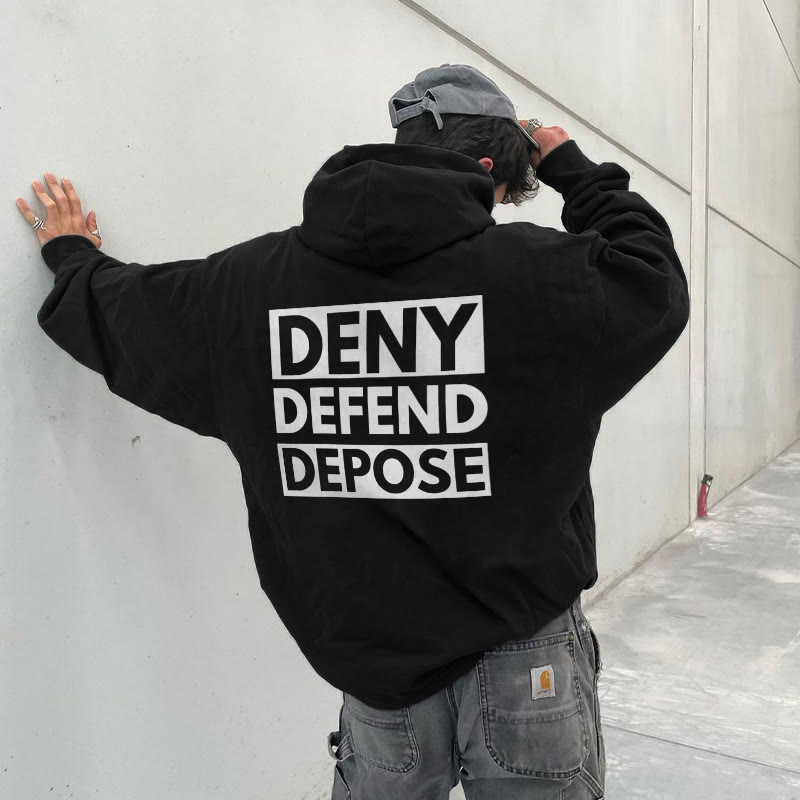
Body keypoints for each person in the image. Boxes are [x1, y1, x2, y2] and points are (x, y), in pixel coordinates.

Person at [18, 63, 689, 799]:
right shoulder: (541, 278)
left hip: (376, 668)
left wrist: (71, 257)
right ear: (488, 170)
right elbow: (652, 277)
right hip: (523, 653)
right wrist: (573, 169)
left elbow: (127, 316)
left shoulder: (250, 289)